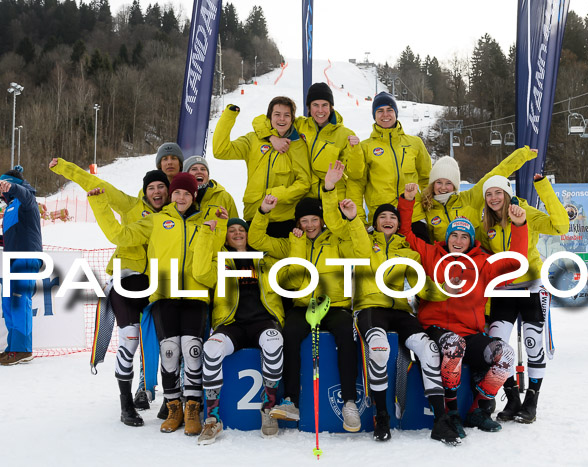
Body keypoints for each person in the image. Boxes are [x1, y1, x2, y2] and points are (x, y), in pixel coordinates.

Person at [323, 162, 459, 445]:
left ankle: (441, 419)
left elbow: (421, 285)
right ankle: (381, 415)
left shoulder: (407, 251)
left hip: (398, 310)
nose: (388, 220)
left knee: (429, 348)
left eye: (393, 217)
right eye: (382, 216)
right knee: (380, 348)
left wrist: (443, 291)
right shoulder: (361, 242)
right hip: (369, 308)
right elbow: (345, 229)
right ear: (375, 221)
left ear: (399, 224)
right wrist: (338, 201)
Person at [88, 173, 222, 436]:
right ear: (171, 196)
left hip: (195, 296)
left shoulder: (207, 222)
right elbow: (120, 234)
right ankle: (173, 407)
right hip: (164, 296)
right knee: (169, 353)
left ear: (194, 195)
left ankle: (192, 408)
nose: (181, 197)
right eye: (177, 193)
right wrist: (100, 205)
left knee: (193, 352)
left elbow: (215, 257)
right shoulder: (156, 220)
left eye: (187, 193)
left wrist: (216, 225)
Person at [401, 182, 528, 435]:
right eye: (454, 235)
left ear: (471, 240)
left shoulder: (483, 264)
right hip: (438, 329)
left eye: (464, 236)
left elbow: (516, 263)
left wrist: (520, 226)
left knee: (506, 355)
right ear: (446, 238)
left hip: (470, 332)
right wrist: (407, 201)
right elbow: (405, 233)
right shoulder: (432, 255)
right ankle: (451, 413)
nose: (458, 240)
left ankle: (478, 410)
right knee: (453, 345)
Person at [49, 157, 169, 419]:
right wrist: (65, 168)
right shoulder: (131, 205)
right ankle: (126, 404)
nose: (157, 192)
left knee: (167, 342)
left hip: (159, 287)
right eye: (152, 188)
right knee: (130, 338)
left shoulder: (173, 217)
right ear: (145, 191)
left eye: (161, 187)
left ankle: (169, 398)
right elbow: (97, 183)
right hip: (127, 283)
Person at [247, 191, 363, 433]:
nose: (309, 225)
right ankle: (290, 401)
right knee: (289, 334)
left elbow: (362, 253)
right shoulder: (292, 242)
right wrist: (263, 212)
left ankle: (350, 402)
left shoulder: (336, 240)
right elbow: (256, 239)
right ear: (298, 223)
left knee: (345, 331)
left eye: (314, 219)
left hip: (334, 304)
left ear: (321, 220)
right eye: (304, 221)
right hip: (303, 306)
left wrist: (352, 220)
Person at [479, 173, 569, 424]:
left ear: (507, 194)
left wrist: (543, 187)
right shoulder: (486, 223)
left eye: (498, 193)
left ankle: (531, 401)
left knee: (532, 342)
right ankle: (512, 399)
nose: (494, 198)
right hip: (503, 291)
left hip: (531, 285)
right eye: (489, 194)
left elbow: (561, 226)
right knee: (497, 347)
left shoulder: (525, 212)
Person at [192, 217, 286, 443]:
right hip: (231, 322)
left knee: (274, 343)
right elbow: (201, 272)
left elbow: (290, 273)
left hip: (263, 321)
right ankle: (213, 418)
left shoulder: (265, 259)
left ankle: (268, 408)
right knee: (211, 349)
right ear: (225, 236)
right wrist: (207, 234)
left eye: (241, 230)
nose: (236, 233)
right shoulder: (220, 260)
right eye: (231, 230)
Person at [212, 97, 311, 237]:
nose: (282, 119)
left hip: (283, 219)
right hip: (253, 215)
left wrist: (275, 194)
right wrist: (229, 116)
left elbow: (304, 183)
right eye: (277, 114)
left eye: (286, 115)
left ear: (292, 118)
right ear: (270, 116)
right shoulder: (253, 140)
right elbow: (220, 150)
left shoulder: (298, 145)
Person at [258, 82, 365, 210]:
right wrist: (272, 138)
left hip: (334, 198)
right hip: (305, 200)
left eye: (324, 105)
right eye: (315, 105)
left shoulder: (344, 135)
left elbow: (356, 174)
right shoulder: (300, 125)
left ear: (331, 107)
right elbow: (260, 121)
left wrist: (356, 151)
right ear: (309, 107)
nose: (320, 110)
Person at [420, 147, 537, 243]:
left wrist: (523, 154)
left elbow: (498, 172)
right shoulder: (427, 207)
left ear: (455, 185)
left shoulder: (470, 199)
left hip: (476, 261)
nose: (443, 187)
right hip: (445, 264)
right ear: (433, 184)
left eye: (448, 183)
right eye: (439, 182)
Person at [359, 91, 432, 240]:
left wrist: (431, 209)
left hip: (414, 215)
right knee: (384, 262)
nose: (385, 115)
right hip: (382, 218)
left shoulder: (414, 143)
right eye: (380, 111)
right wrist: (360, 218)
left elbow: (427, 179)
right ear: (374, 115)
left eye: (389, 110)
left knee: (420, 260)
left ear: (396, 113)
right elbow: (357, 186)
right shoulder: (365, 147)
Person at [0, 166, 42, 366]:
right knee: (8, 303)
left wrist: (14, 188)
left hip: (26, 257)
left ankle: (22, 350)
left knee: (18, 300)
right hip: (12, 259)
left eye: (2, 185)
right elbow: (11, 236)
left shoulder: (26, 200)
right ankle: (12, 348)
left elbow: (25, 194)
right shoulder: (9, 207)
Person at [183, 156, 240, 222]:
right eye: (194, 169)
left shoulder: (224, 197)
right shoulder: (180, 197)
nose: (199, 172)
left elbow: (235, 226)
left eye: (203, 169)